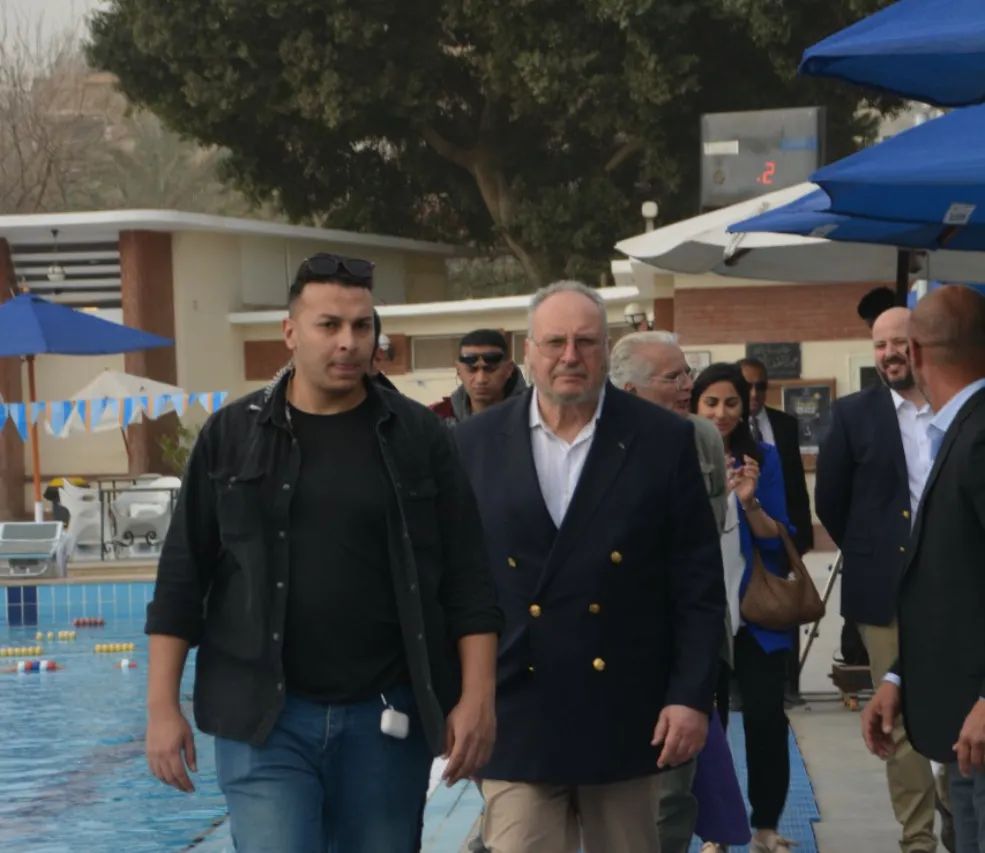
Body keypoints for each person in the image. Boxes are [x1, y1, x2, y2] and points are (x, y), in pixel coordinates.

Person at [143, 252, 503, 852]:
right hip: (264, 719)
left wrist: (478, 698)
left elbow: (468, 577)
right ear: (290, 332)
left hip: (386, 718)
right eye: (329, 325)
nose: (349, 342)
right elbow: (182, 577)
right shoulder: (232, 436)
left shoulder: (417, 437)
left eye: (362, 326)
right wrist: (161, 707)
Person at [455, 281, 725, 853]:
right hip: (518, 707)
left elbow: (697, 584)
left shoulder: (662, 439)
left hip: (624, 707)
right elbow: (456, 582)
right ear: (528, 352)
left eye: (586, 342)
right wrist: (460, 698)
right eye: (555, 342)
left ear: (606, 350)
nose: (570, 356)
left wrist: (690, 695)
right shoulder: (474, 443)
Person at [610, 331, 748, 853]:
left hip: (685, 639)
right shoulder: (600, 443)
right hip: (614, 642)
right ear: (629, 389)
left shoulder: (701, 437)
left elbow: (703, 544)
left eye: (687, 372)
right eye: (673, 377)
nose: (688, 385)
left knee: (675, 788)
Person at [863, 285, 985, 853]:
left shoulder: (978, 438)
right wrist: (899, 677)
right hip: (959, 725)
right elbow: (953, 586)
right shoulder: (957, 430)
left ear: (914, 352)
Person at [815, 305, 940, 853]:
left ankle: (962, 821)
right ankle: (918, 839)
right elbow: (831, 502)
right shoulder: (852, 414)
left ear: (925, 343)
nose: (889, 353)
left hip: (956, 583)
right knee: (897, 713)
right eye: (879, 344)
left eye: (900, 342)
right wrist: (874, 550)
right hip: (883, 587)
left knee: (958, 703)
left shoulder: (959, 405)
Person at [691, 362, 795, 853]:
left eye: (731, 402)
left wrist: (751, 503)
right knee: (708, 726)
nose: (721, 412)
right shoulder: (677, 456)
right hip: (701, 614)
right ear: (695, 405)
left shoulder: (763, 458)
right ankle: (716, 831)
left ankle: (766, 825)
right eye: (711, 402)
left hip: (757, 613)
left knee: (766, 719)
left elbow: (779, 541)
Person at [430, 328, 526, 425]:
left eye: (490, 369)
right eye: (472, 370)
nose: (481, 379)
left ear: (508, 370)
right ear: (458, 370)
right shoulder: (437, 418)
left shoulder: (530, 413)